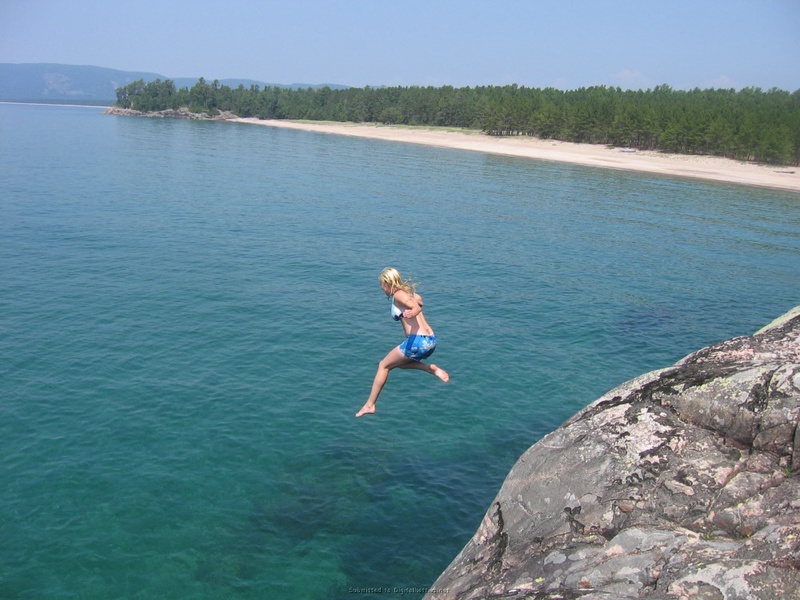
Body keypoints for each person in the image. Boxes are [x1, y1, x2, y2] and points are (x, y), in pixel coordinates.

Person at [356, 267, 450, 418]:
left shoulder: (399, 294)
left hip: (417, 342)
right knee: (396, 364)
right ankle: (430, 369)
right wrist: (415, 308)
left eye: (382, 284)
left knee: (383, 366)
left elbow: (415, 307)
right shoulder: (410, 294)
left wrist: (413, 311)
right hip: (430, 340)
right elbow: (419, 302)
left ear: (388, 283)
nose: (381, 288)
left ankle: (370, 404)